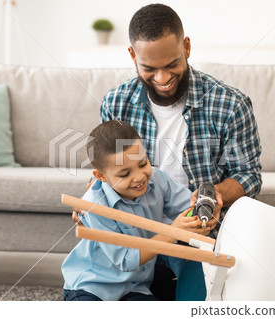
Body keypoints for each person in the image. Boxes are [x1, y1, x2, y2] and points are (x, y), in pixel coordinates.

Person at [74, 4, 262, 300]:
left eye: (172, 64)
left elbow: (249, 175)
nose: (162, 78)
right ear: (133, 56)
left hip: (194, 237)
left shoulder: (230, 104)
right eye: (149, 68)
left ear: (186, 47)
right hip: (135, 239)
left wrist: (211, 194)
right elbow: (108, 168)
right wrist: (89, 201)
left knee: (197, 303)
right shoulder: (115, 102)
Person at [62, 120, 221, 301]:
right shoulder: (93, 204)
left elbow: (189, 207)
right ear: (101, 176)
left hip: (137, 286)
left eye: (143, 163)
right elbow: (125, 260)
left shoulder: (158, 178)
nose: (139, 177)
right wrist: (174, 231)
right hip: (93, 286)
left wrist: (200, 215)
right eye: (124, 174)